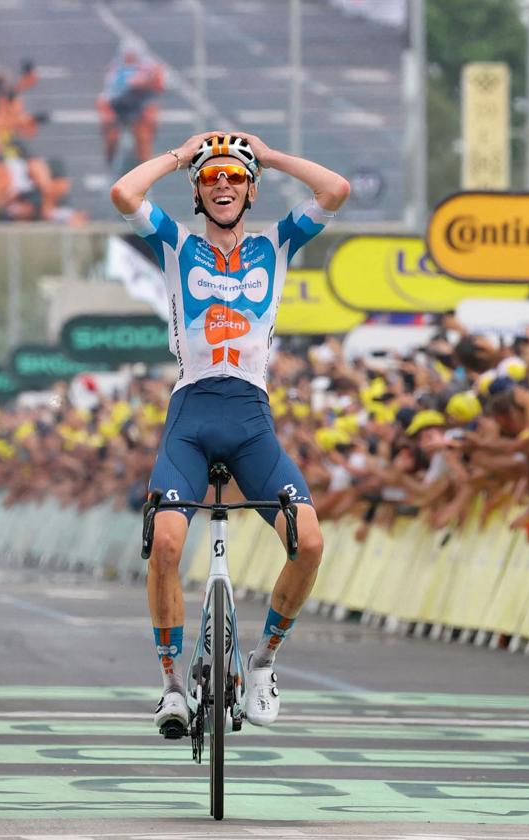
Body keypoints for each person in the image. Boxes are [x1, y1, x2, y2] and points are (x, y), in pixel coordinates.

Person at [109, 132, 350, 735]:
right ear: (197, 188)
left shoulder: (277, 242)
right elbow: (123, 192)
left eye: (236, 178)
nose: (223, 184)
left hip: (250, 419)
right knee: (165, 544)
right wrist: (180, 154)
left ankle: (264, 661)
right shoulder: (176, 243)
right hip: (190, 415)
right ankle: (169, 685)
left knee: (310, 542)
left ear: (250, 190)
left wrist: (267, 156)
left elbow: (335, 189)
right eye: (213, 176)